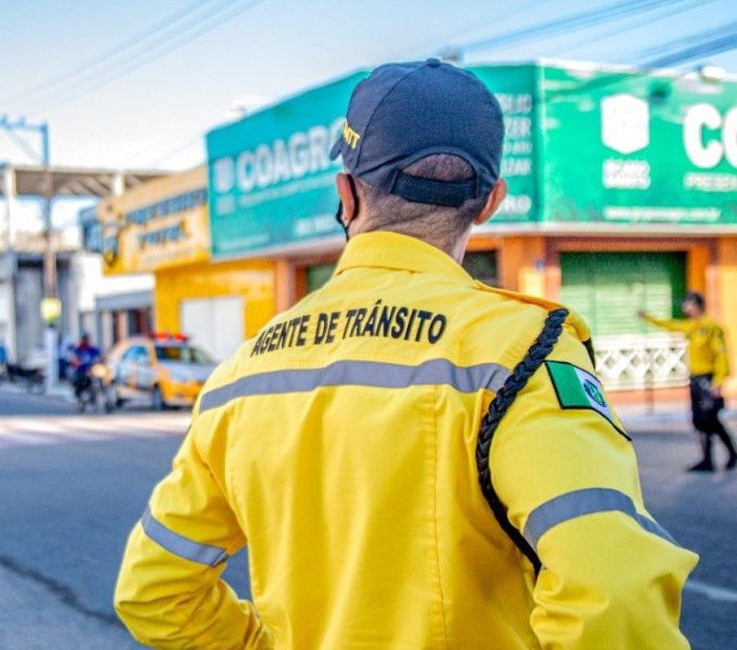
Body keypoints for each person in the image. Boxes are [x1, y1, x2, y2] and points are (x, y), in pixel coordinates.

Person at [114, 59, 696, 649]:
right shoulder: (521, 352)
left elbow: (154, 589)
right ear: (490, 201)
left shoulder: (242, 376)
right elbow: (614, 593)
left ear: (346, 196)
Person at [640, 292, 737, 471]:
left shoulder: (711, 327)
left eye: (688, 304)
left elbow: (721, 356)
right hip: (695, 379)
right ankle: (708, 459)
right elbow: (670, 325)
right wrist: (648, 318)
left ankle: (730, 454)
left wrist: (718, 382)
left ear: (697, 305)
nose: (685, 307)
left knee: (710, 419)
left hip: (708, 379)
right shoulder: (691, 326)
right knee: (700, 420)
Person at [68, 333, 101, 400]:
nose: (85, 341)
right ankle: (78, 393)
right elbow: (73, 358)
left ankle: (94, 395)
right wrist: (76, 362)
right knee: (79, 380)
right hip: (81, 370)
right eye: (84, 339)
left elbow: (98, 356)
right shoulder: (78, 349)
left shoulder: (92, 349)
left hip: (91, 370)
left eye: (86, 339)